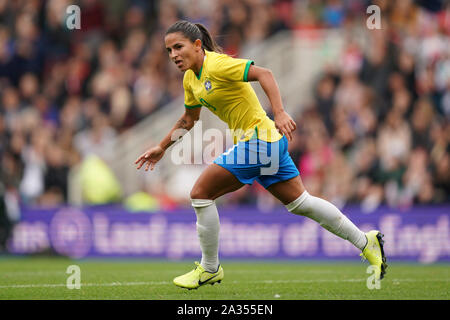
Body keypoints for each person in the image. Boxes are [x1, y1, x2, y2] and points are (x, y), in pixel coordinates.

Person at [135, 20, 387, 289]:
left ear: (197, 45)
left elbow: (264, 74)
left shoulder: (217, 65)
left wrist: (279, 112)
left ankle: (209, 268)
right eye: (168, 50)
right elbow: (188, 119)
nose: (173, 55)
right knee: (301, 203)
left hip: (260, 140)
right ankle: (366, 241)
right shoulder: (190, 80)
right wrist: (162, 147)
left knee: (200, 193)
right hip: (267, 142)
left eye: (178, 47)